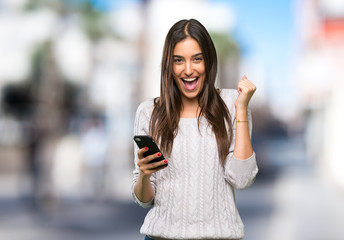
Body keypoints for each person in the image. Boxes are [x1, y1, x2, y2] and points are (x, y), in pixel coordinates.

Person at [132, 19, 258, 240]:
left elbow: (242, 179)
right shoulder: (149, 112)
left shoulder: (232, 104)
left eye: (197, 59)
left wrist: (240, 111)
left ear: (208, 61)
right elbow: (145, 200)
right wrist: (144, 175)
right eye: (178, 60)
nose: (188, 70)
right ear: (169, 65)